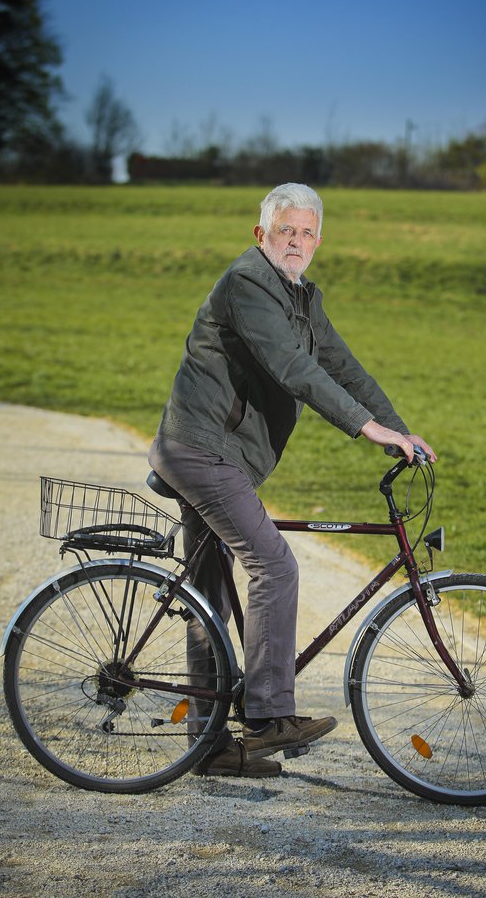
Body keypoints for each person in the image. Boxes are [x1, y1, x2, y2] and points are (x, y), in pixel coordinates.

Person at [148, 183, 436, 778]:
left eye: (307, 233)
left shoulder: (303, 298)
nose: (296, 242)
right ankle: (269, 715)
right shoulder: (249, 283)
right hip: (204, 451)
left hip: (210, 452)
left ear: (318, 240)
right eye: (286, 231)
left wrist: (400, 432)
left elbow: (343, 367)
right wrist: (365, 429)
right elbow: (294, 367)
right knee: (274, 566)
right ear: (262, 235)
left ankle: (209, 746)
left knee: (210, 596)